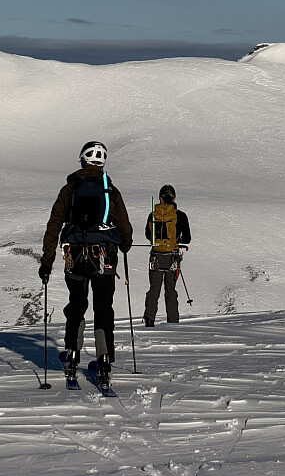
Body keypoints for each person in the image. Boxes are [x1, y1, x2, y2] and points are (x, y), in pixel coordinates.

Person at [39, 141, 133, 388]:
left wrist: (47, 262)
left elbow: (53, 225)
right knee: (103, 308)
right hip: (104, 258)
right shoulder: (110, 190)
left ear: (82, 160)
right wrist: (124, 245)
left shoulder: (69, 189)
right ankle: (104, 361)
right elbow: (125, 228)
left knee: (77, 305)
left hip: (75, 256)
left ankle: (72, 356)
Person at [142, 184, 191, 326]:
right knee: (170, 290)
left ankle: (149, 318)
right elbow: (187, 238)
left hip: (156, 256)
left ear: (160, 198)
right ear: (174, 199)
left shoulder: (153, 214)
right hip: (172, 257)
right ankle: (173, 321)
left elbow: (148, 235)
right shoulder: (180, 216)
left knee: (154, 289)